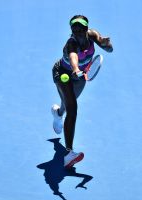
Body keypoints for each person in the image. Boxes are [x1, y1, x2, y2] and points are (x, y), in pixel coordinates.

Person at [51, 15, 113, 167]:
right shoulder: (71, 44)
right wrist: (76, 69)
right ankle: (69, 153)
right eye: (74, 28)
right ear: (71, 30)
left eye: (81, 27)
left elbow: (109, 49)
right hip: (63, 74)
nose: (78, 30)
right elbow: (73, 58)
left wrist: (106, 44)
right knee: (72, 110)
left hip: (79, 78)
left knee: (67, 105)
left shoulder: (92, 35)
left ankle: (58, 114)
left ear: (87, 28)